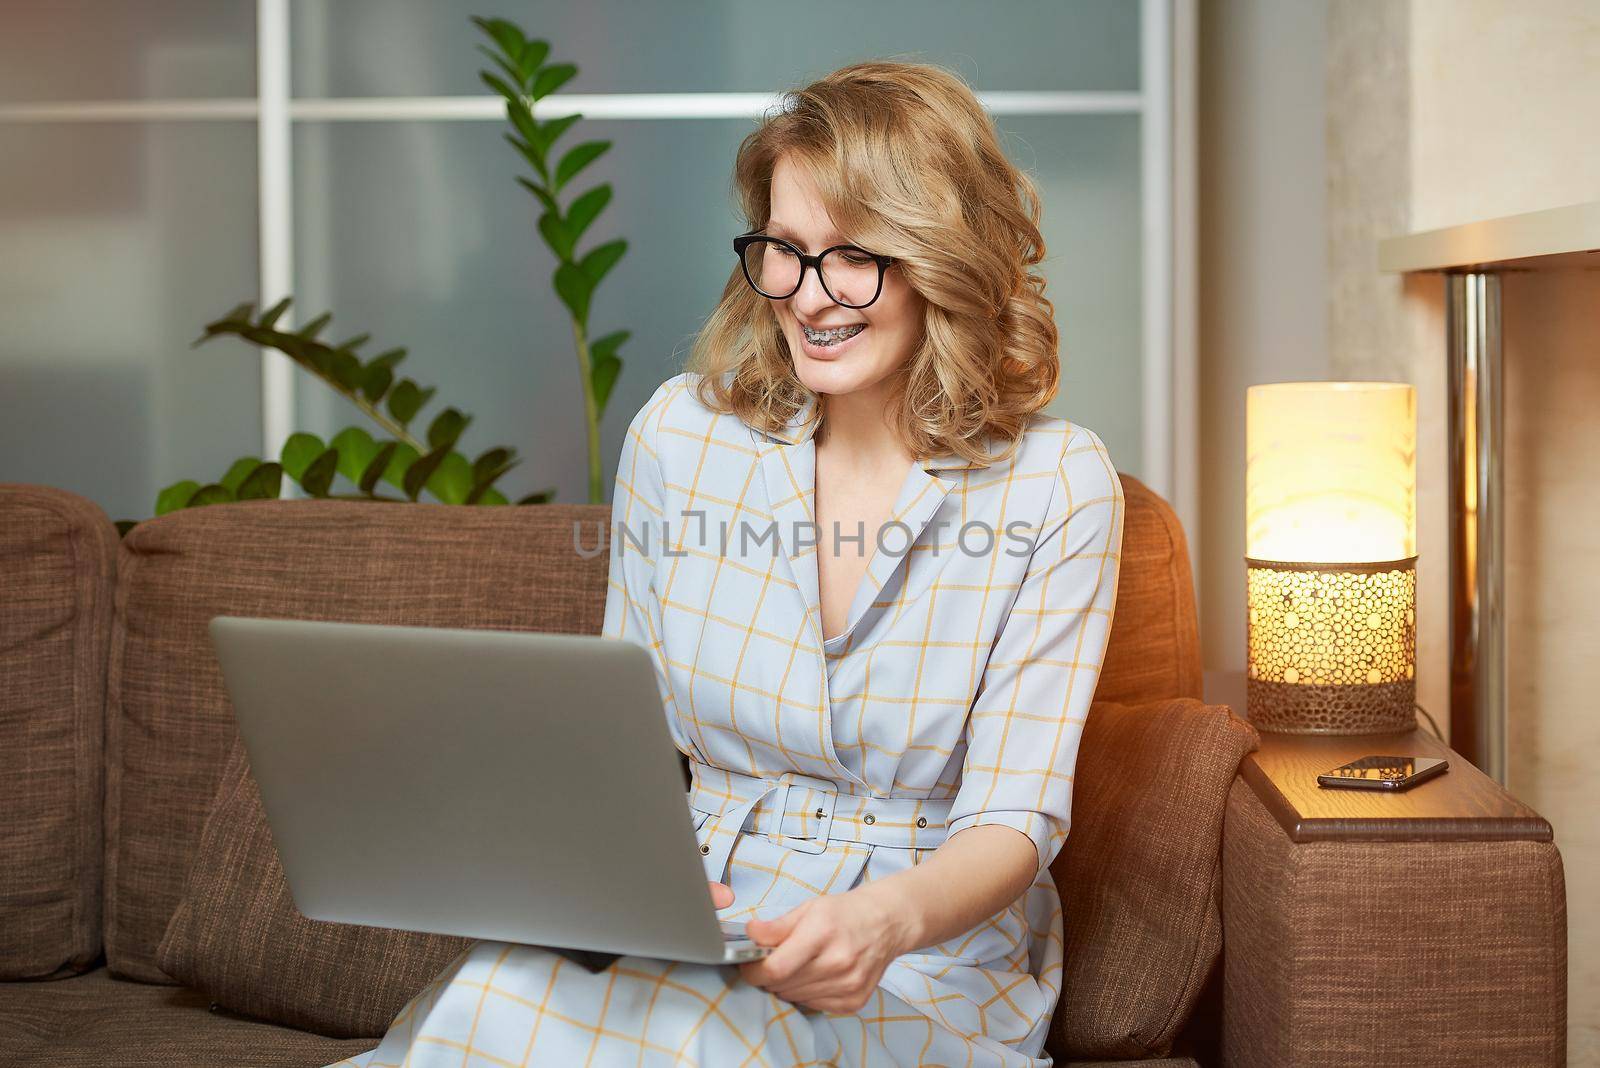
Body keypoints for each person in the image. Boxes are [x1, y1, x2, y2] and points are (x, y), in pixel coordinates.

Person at [329, 58, 1124, 1068]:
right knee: (499, 988)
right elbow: (626, 745)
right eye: (784, 252)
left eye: (854, 257)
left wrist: (880, 920)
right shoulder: (681, 433)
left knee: (707, 1039)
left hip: (920, 953)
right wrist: (612, 880)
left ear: (941, 259)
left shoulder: (1057, 483)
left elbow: (1015, 816)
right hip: (695, 910)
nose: (806, 296)